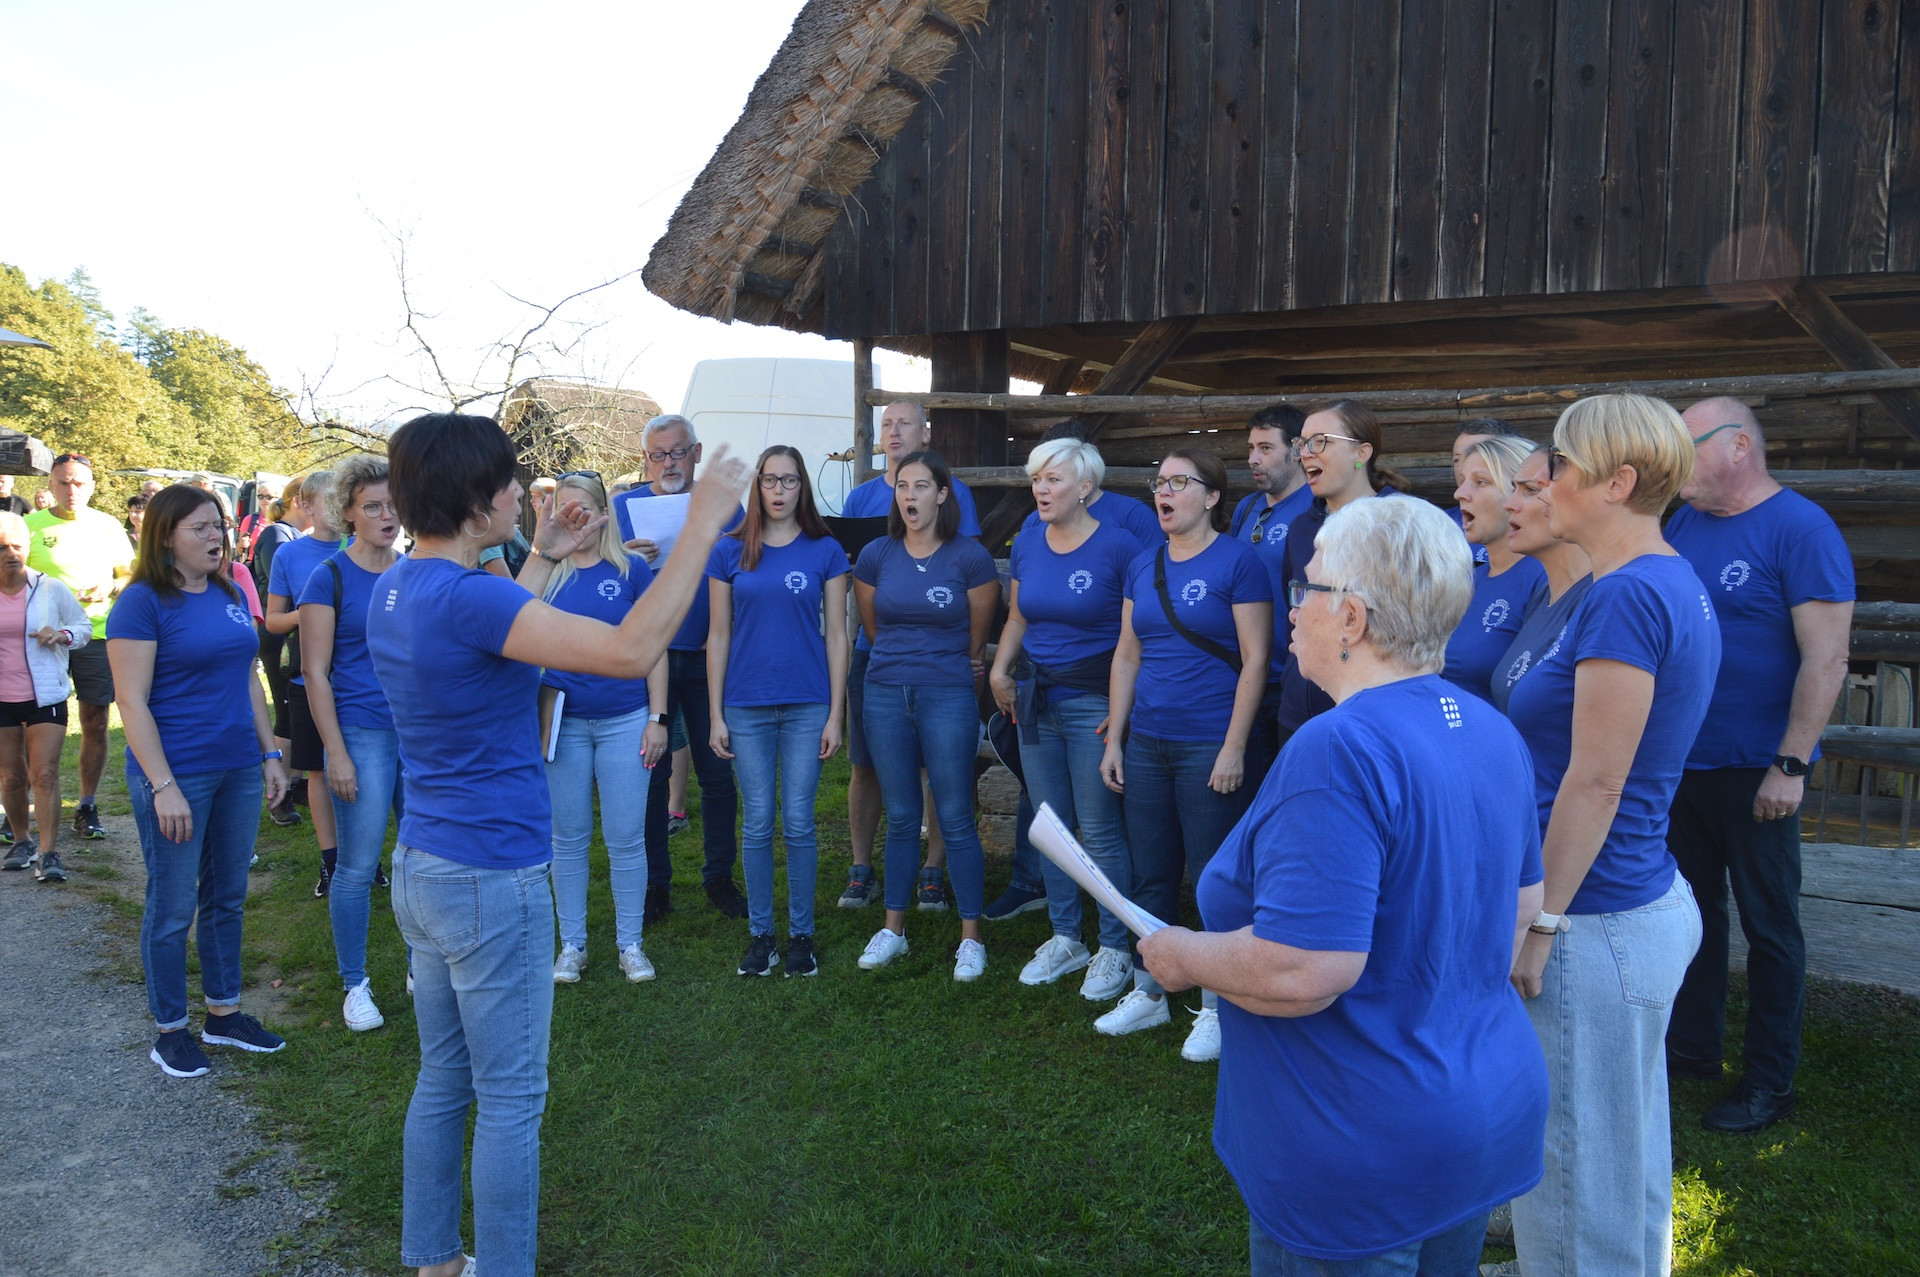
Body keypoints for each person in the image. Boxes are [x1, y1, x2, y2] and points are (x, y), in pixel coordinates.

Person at [368, 413, 748, 1277]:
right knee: (510, 1098)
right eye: (509, 483)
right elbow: (631, 647)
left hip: (424, 863)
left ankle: (433, 1260)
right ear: (474, 499)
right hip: (491, 876)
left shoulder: (400, 585)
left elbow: (499, 623)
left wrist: (537, 550)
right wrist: (697, 524)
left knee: (442, 1078)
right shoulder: (472, 596)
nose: (520, 493)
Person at [1139, 496, 1548, 1274]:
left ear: (1353, 618)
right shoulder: (1488, 723)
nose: (1293, 607)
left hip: (1361, 1145)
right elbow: (1520, 910)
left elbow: (1306, 967)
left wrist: (1182, 955)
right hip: (1477, 1112)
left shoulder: (1340, 747)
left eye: (1309, 588)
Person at [1504, 393, 1716, 1275]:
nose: (1544, 480)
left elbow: (1596, 780)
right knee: (1621, 1149)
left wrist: (1541, 919)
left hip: (1595, 917)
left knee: (1572, 1165)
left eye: (1559, 465)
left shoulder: (1627, 596)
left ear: (1618, 481)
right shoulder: (1661, 578)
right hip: (1633, 898)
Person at [1665, 397, 1854, 1134]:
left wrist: (1791, 762)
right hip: (1685, 763)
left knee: (1770, 926)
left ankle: (1771, 1081)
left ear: (1738, 446)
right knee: (1693, 915)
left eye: (1688, 444)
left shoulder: (1800, 528)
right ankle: (1692, 1052)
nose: (1675, 461)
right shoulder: (1683, 524)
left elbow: (1828, 656)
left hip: (1757, 769)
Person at [109, 485, 291, 1079]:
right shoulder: (141, 603)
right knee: (172, 905)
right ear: (165, 536)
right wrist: (163, 785)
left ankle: (224, 1012)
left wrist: (269, 754)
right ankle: (170, 1030)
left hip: (239, 765)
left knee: (227, 896)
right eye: (200, 528)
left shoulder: (230, 587)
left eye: (218, 525)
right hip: (177, 773)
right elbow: (131, 703)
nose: (216, 536)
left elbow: (247, 681)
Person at [1099, 449, 1272, 1060]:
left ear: (1212, 497)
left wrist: (1233, 747)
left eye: (1178, 482)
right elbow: (1127, 654)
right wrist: (1116, 736)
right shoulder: (1143, 563)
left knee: (1212, 880)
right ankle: (1150, 991)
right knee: (1151, 873)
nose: (1164, 492)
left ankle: (1219, 1006)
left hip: (1208, 744)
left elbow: (1255, 659)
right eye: (1159, 482)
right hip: (1147, 741)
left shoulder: (1239, 561)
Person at [983, 422, 1159, 924]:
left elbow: (1134, 641)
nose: (1041, 488)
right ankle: (1064, 936)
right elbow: (1018, 615)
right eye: (1037, 478)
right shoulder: (1028, 542)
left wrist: (1121, 715)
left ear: (1085, 488)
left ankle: (1115, 941)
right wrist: (1000, 671)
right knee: (1051, 825)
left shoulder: (1122, 546)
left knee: (1100, 829)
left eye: (1053, 479)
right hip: (1036, 699)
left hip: (1094, 704)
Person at [852, 450, 1000, 980]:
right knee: (899, 815)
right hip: (885, 692)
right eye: (902, 487)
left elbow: (977, 636)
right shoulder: (875, 554)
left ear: (943, 494)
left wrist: (953, 668)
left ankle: (970, 937)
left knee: (956, 814)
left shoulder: (970, 558)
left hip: (948, 694)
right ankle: (893, 929)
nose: (909, 496)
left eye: (920, 486)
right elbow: (872, 628)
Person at [707, 446, 851, 977]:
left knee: (798, 821)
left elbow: (838, 635)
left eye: (789, 481)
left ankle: (802, 937)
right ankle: (761, 934)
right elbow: (717, 635)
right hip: (745, 704)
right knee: (759, 821)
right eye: (770, 480)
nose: (779, 490)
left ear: (802, 488)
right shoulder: (727, 551)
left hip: (807, 702)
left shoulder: (825, 550)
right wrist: (716, 713)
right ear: (758, 486)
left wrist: (836, 713)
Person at [837, 399, 982, 911]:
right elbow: (854, 576)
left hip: (941, 664)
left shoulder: (956, 492)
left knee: (941, 774)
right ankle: (861, 869)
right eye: (886, 424)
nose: (894, 432)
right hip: (875, 656)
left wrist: (961, 654)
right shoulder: (859, 498)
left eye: (904, 423)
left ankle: (933, 870)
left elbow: (970, 579)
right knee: (866, 765)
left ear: (926, 432)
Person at [533, 472, 667, 987]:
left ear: (601, 512)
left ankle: (629, 943)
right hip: (563, 723)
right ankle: (572, 945)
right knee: (567, 838)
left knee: (626, 837)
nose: (575, 517)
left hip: (625, 718)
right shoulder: (547, 574)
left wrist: (658, 717)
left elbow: (652, 646)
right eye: (564, 508)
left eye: (583, 507)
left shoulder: (631, 568)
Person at [299, 455, 405, 1032]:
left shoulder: (412, 569)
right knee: (358, 866)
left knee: (419, 859)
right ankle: (355, 984)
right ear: (347, 513)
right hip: (361, 732)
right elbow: (316, 673)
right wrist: (335, 752)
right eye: (373, 507)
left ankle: (422, 965)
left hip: (416, 735)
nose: (387, 516)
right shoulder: (329, 578)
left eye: (393, 505)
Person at [627, 414, 748, 921]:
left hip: (708, 655)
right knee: (650, 776)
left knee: (718, 772)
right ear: (645, 459)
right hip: (648, 655)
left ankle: (719, 877)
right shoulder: (623, 507)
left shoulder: (726, 506)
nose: (668, 463)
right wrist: (625, 554)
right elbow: (598, 573)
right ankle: (655, 884)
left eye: (677, 453)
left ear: (696, 454)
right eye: (658, 454)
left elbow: (749, 565)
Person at [1274, 402, 1408, 743]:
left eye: (1320, 441)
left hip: (1369, 721)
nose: (1305, 453)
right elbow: (1295, 610)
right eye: (1301, 444)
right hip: (1295, 716)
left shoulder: (1400, 525)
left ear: (1361, 452)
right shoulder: (1301, 528)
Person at [26, 453, 134, 843]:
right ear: (50, 485)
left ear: (91, 486)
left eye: (79, 483)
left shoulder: (107, 526)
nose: (71, 490)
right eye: (63, 483)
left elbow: (130, 572)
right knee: (30, 723)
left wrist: (112, 587)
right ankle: (22, 806)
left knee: (95, 720)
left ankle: (86, 804)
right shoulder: (29, 525)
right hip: (40, 640)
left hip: (96, 633)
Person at [265, 472, 344, 894]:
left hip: (360, 678)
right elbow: (273, 620)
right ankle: (330, 861)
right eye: (325, 500)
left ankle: (365, 859)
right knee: (318, 770)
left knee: (366, 769)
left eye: (341, 498)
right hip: (307, 676)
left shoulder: (366, 547)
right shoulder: (290, 555)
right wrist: (312, 611)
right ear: (305, 506)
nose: (335, 506)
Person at [0, 513, 88, 883]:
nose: (10, 553)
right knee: (10, 776)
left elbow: (83, 627)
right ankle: (22, 840)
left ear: (28, 548)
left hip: (46, 694)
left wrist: (63, 634)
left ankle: (50, 852)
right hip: (4, 698)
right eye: (1, 547)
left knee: (45, 773)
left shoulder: (49, 588)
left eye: (17, 545)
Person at [1227, 402, 1311, 788]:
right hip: (1244, 678)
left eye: (1265, 448)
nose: (1253, 459)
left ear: (1297, 449)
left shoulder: (1316, 507)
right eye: (1250, 449)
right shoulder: (1246, 508)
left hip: (1292, 679)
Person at [1441, 434, 1547, 702]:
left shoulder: (1542, 579)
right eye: (1463, 480)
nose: (1460, 493)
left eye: (1481, 482)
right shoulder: (1471, 578)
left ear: (1520, 493)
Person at [1489, 448, 1594, 715]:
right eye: (1514, 489)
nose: (1509, 504)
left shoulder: (1599, 598)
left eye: (1531, 490)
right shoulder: (1544, 595)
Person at [251, 492, 303, 827]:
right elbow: (281, 584)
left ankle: (294, 783)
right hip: (278, 635)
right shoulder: (276, 534)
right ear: (301, 500)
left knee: (298, 714)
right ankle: (278, 799)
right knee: (285, 715)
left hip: (296, 632)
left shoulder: (299, 537)